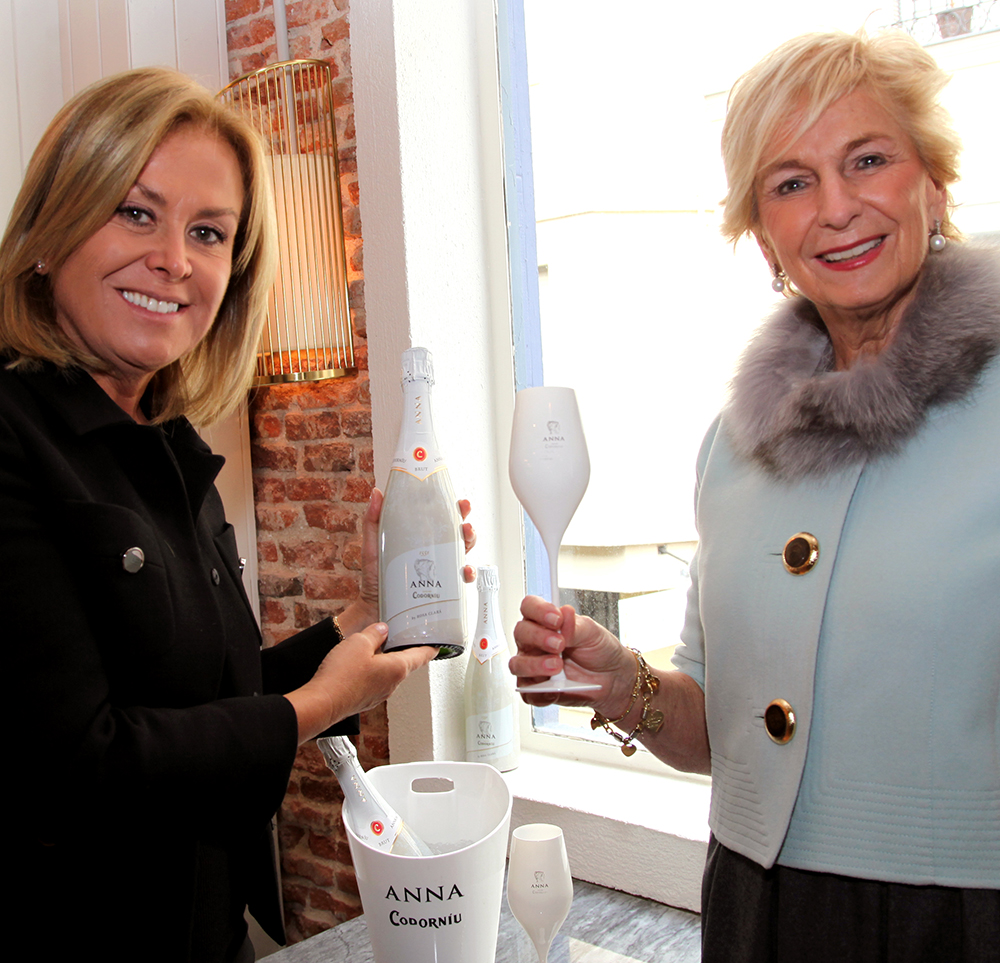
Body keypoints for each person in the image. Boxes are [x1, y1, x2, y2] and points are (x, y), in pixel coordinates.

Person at [511, 29, 998, 962]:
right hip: (752, 906)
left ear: (935, 185)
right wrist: (620, 683)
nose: (837, 207)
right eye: (791, 182)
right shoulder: (731, 448)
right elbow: (717, 730)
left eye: (868, 160)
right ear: (763, 235)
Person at [1, 68, 474, 961]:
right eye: (135, 212)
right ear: (47, 236)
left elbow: (217, 697)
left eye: (208, 232)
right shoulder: (14, 436)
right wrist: (316, 706)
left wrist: (364, 616)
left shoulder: (169, 445)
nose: (174, 260)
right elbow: (73, 768)